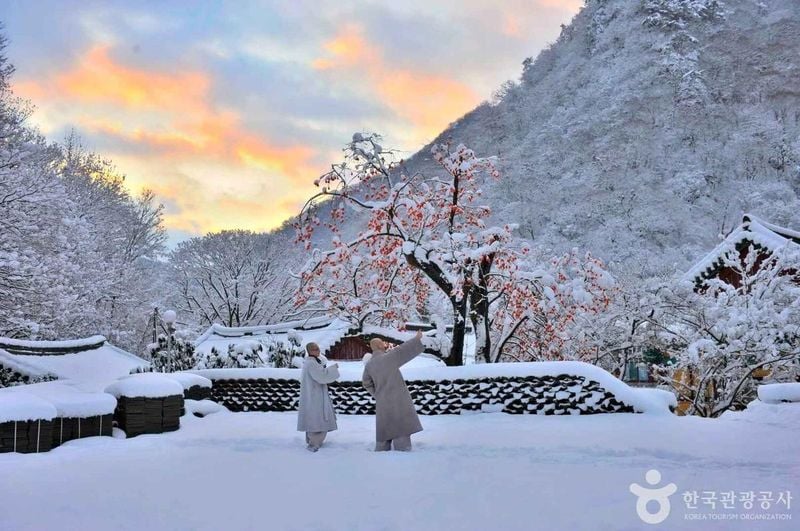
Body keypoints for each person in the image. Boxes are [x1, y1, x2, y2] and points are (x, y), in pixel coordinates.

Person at [361, 330, 425, 451]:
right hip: (397, 397)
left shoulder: (369, 365)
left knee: (384, 424)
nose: (384, 344)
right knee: (399, 424)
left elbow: (366, 383)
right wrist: (416, 339)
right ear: (379, 345)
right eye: (382, 343)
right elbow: (403, 349)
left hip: (382, 400)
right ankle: (402, 449)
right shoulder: (389, 357)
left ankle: (382, 448)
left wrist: (377, 394)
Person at [297, 342, 340, 452]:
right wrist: (333, 369)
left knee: (314, 417)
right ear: (309, 351)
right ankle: (314, 443)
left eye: (318, 348)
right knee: (317, 418)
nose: (318, 351)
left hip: (314, 394)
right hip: (315, 396)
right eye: (315, 349)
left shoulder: (311, 362)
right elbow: (321, 376)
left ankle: (312, 441)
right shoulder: (311, 363)